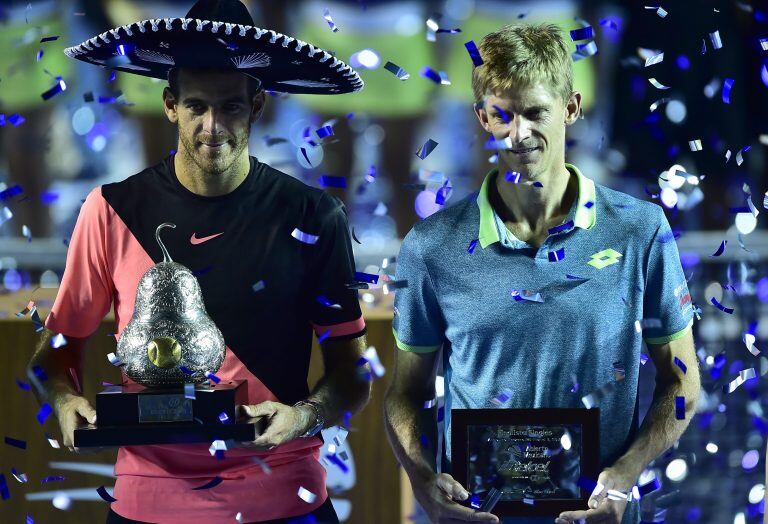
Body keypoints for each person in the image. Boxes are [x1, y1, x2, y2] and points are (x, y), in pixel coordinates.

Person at [27, 1, 370, 522]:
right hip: (147, 503)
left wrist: (304, 417)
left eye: (230, 107)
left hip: (284, 498)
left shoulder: (314, 214)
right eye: (196, 107)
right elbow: (53, 354)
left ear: (257, 107)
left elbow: (353, 372)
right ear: (169, 105)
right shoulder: (110, 209)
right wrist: (63, 398)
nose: (213, 126)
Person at [383, 23, 701, 524]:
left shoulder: (640, 229)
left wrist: (625, 475)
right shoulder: (431, 245)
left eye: (535, 112)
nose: (519, 133)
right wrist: (424, 483)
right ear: (483, 117)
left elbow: (681, 382)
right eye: (503, 116)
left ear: (571, 108)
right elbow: (404, 393)